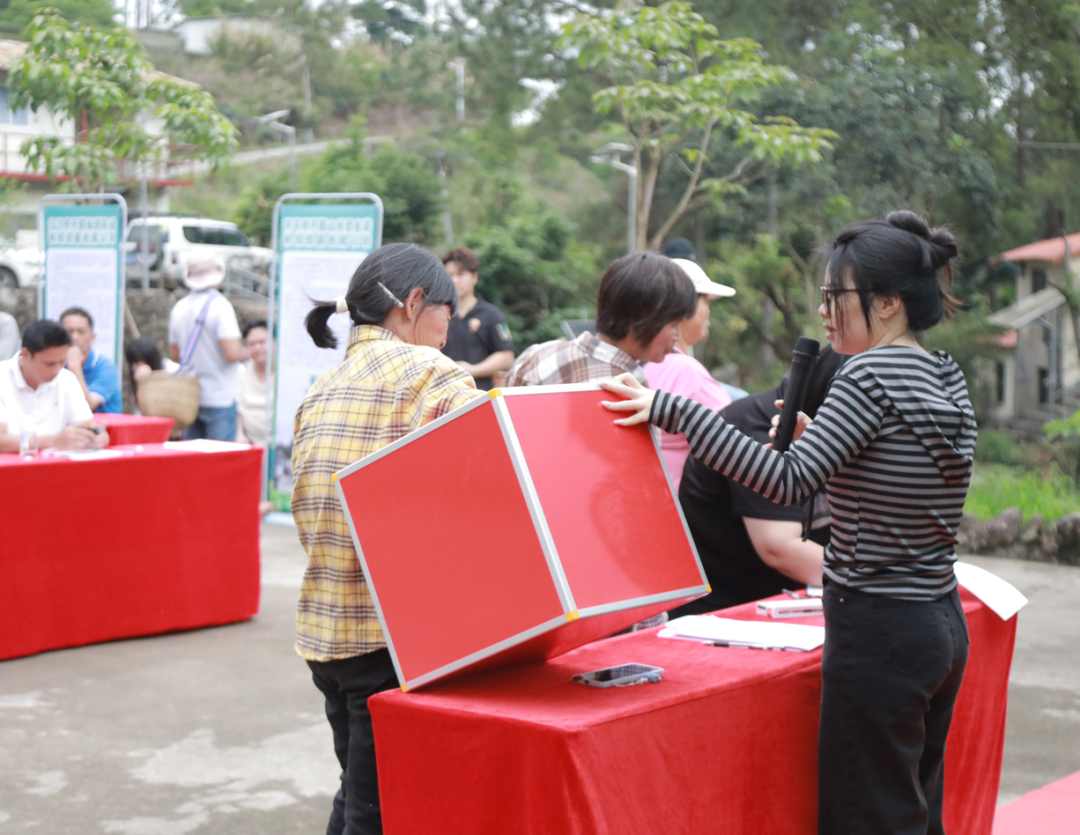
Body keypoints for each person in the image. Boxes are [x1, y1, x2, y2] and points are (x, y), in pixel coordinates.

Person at [601, 211, 975, 835]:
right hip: (940, 621)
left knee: (866, 816)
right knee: (915, 807)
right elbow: (902, 482)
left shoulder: (867, 373)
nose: (824, 312)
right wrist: (824, 446)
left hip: (878, 625)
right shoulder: (944, 374)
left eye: (836, 296)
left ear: (887, 303)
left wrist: (678, 412)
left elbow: (784, 481)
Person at [292, 243, 481, 835]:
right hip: (392, 640)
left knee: (359, 792)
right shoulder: (432, 374)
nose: (448, 333)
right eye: (447, 315)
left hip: (327, 636)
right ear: (415, 303)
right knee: (380, 812)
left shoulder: (322, 387)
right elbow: (493, 488)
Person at [670, 346, 847, 617]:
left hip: (798, 599)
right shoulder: (757, 428)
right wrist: (877, 586)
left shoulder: (841, 435)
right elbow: (780, 548)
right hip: (728, 611)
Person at [506, 251, 698, 387]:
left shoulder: (535, 355)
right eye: (674, 325)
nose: (677, 336)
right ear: (642, 319)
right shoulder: (629, 387)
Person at [642, 258, 736, 489]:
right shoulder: (688, 373)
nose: (708, 312)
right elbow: (737, 444)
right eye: (705, 300)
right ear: (683, 307)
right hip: (681, 507)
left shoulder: (636, 363)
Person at [0, 319, 110, 452]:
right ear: (25, 354)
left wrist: (95, 438)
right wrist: (52, 442)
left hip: (56, 463)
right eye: (50, 364)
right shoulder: (3, 377)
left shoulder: (66, 378)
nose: (56, 370)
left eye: (62, 362)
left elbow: (89, 427)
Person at [168, 257, 243, 441]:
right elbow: (232, 354)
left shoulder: (179, 307)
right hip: (219, 396)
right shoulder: (221, 306)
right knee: (220, 456)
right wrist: (250, 352)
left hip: (189, 397)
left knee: (192, 456)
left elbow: (176, 354)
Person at [441, 247, 515, 389]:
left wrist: (473, 370)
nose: (455, 280)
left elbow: (506, 356)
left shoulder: (491, 314)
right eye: (450, 275)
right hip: (443, 393)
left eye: (461, 274)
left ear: (474, 277)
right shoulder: (436, 314)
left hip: (480, 394)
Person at [60, 307, 122, 414]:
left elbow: (86, 406)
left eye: (81, 332)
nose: (74, 337)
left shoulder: (106, 366)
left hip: (102, 424)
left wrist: (74, 366)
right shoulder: (54, 365)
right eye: (69, 332)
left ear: (92, 337)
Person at [235, 319, 269, 446]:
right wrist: (239, 434)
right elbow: (236, 408)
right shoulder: (240, 372)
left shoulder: (284, 377)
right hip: (246, 443)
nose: (257, 347)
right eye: (252, 344)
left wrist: (270, 442)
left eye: (262, 342)